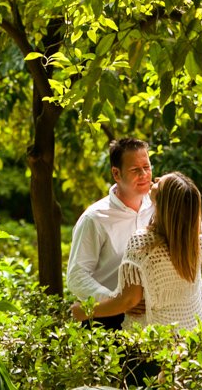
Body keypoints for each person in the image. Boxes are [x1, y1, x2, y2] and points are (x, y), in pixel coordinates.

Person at [70, 172, 202, 388]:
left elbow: (128, 301)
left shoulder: (143, 243)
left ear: (163, 200)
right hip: (185, 334)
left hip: (148, 342)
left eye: (160, 182)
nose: (154, 179)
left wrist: (84, 311)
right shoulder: (194, 237)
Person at [66, 137, 155, 330]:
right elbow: (76, 275)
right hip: (105, 322)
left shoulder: (159, 208)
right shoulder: (95, 218)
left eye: (147, 167)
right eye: (135, 170)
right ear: (116, 173)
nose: (144, 175)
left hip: (152, 321)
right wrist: (119, 301)